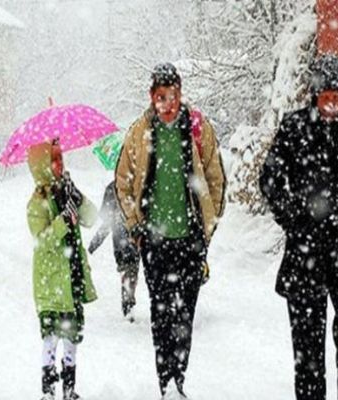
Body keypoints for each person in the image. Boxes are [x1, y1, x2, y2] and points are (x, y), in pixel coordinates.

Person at [259, 54, 338, 400]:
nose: (332, 105)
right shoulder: (294, 126)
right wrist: (293, 219)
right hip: (305, 257)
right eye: (325, 97)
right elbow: (270, 179)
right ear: (314, 95)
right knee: (308, 355)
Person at [115, 62, 226, 398]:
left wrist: (206, 229)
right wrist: (136, 228)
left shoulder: (196, 127)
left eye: (173, 95)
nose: (167, 103)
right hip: (154, 241)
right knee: (162, 315)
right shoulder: (139, 131)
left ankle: (180, 377)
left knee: (185, 315)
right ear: (152, 97)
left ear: (180, 94)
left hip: (190, 240)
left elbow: (215, 177)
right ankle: (166, 383)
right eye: (161, 97)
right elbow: (124, 182)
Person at [26, 140, 98, 400]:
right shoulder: (37, 203)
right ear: (42, 166)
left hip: (72, 277)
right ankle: (48, 389)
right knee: (51, 337)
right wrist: (62, 222)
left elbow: (91, 218)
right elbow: (41, 241)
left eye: (61, 158)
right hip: (51, 282)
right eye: (53, 159)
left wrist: (77, 197)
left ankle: (70, 388)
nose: (60, 164)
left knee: (72, 337)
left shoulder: (67, 193)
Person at [88, 180, 141, 321]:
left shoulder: (113, 188)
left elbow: (107, 222)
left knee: (129, 270)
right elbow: (107, 222)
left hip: (126, 240)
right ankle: (128, 302)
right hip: (129, 239)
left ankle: (128, 300)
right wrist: (95, 243)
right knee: (131, 270)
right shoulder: (134, 186)